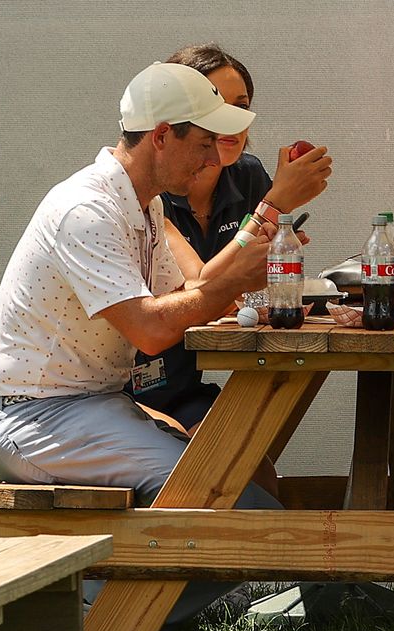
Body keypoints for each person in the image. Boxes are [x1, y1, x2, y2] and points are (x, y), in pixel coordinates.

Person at [0, 61, 284, 627]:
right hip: (38, 418)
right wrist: (232, 282)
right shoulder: (87, 209)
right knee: (230, 503)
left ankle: (136, 603)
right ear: (163, 135)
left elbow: (185, 296)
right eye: (205, 142)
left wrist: (237, 269)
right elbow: (151, 328)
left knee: (235, 488)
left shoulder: (141, 205)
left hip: (83, 408)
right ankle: (98, 612)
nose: (216, 159)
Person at [129, 44, 331, 452]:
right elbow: (200, 280)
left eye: (242, 106)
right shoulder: (151, 189)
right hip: (132, 389)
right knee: (220, 461)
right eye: (217, 107)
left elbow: (236, 288)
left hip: (188, 380)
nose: (232, 123)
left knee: (250, 459)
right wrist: (274, 206)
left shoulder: (248, 174)